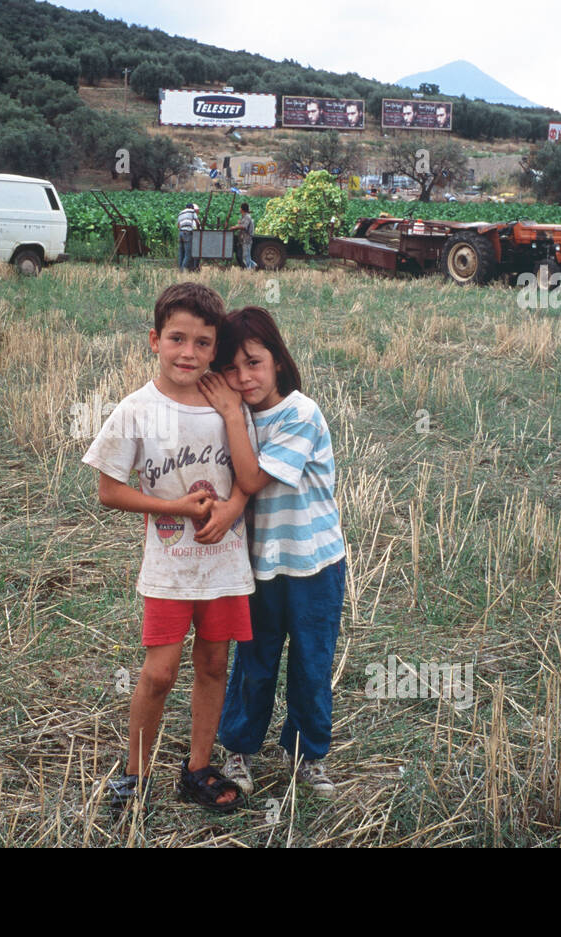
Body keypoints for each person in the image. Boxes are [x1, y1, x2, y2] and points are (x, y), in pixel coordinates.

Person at [83, 283, 255, 815]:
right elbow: (109, 491)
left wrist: (228, 512)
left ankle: (197, 768)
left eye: (204, 343)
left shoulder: (226, 405)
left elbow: (250, 477)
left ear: (215, 347)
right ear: (154, 340)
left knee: (213, 665)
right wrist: (179, 508)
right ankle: (132, 778)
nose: (189, 353)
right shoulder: (137, 408)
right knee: (159, 672)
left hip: (225, 564)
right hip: (170, 567)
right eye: (177, 339)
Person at [197, 306, 348, 798]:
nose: (244, 378)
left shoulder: (300, 413)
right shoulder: (233, 417)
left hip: (314, 566)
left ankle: (307, 756)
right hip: (257, 567)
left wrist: (230, 414)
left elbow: (252, 479)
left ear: (278, 361)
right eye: (232, 369)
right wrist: (231, 416)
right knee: (254, 660)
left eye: (254, 363)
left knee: (311, 662)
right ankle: (238, 748)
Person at [177, 203, 199, 271]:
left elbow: (178, 225)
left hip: (180, 233)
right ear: (192, 208)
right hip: (187, 233)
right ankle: (182, 270)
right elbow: (197, 221)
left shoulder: (180, 213)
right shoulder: (192, 211)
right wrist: (199, 228)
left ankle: (180, 268)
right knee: (188, 254)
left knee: (181, 253)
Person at [237, 203, 257, 270]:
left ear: (242, 209)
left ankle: (249, 269)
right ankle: (254, 266)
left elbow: (244, 227)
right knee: (246, 255)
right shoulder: (244, 216)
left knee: (246, 255)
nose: (239, 209)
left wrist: (235, 227)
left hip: (247, 239)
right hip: (244, 239)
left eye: (240, 208)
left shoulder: (247, 217)